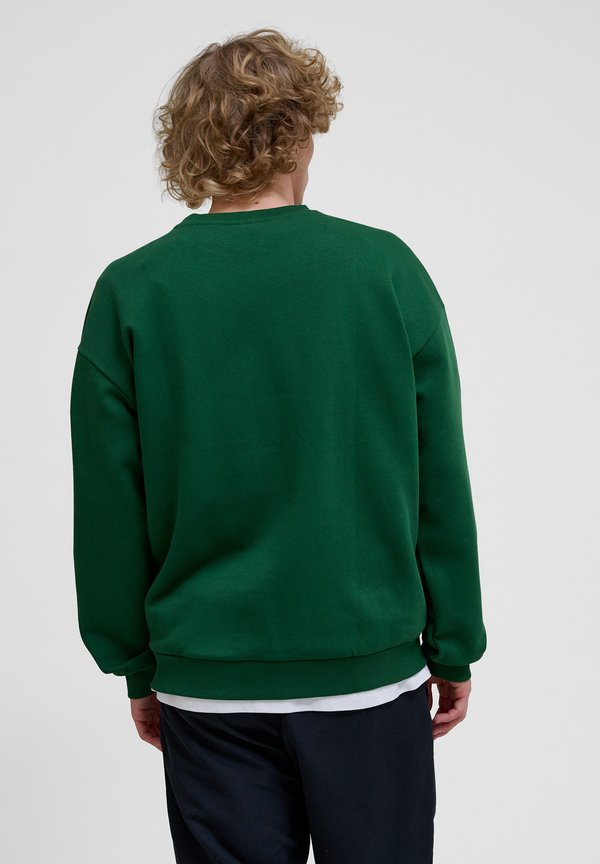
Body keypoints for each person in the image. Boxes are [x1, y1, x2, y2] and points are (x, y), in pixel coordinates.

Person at [69, 26, 487, 864]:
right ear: (301, 131)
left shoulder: (134, 292)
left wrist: (138, 665)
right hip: (368, 679)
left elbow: (109, 503)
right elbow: (438, 477)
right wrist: (454, 643)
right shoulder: (384, 272)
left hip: (208, 684)